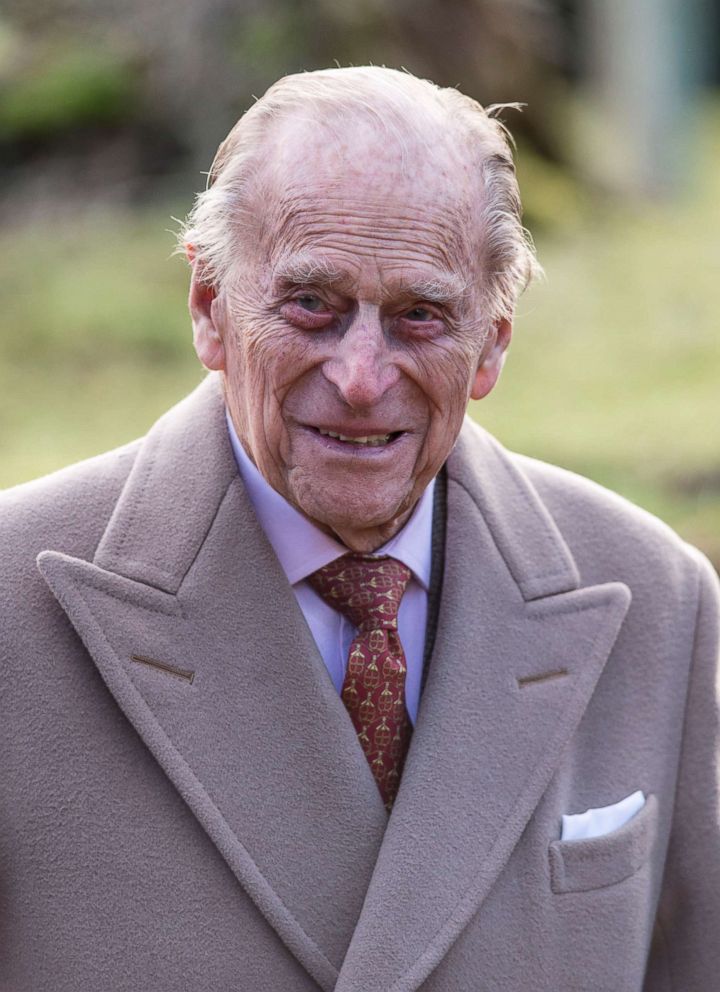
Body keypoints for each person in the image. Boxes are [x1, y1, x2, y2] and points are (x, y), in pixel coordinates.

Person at [0, 66, 718, 992]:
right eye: (312, 306)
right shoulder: (13, 603)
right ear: (210, 308)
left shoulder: (658, 600)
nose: (362, 377)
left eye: (421, 316)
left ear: (494, 340)